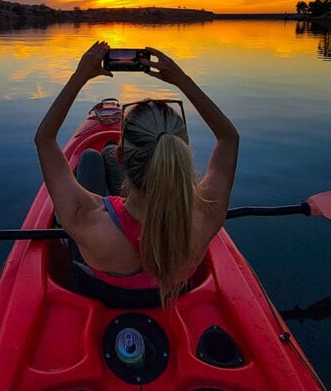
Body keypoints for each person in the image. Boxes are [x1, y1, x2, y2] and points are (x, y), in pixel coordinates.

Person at [34, 40, 239, 305]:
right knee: (94, 159)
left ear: (121, 156)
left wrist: (80, 75)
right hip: (162, 298)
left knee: (89, 158)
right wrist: (181, 80)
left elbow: (45, 139)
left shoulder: (85, 218)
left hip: (102, 281)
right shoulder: (205, 215)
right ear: (179, 155)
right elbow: (229, 138)